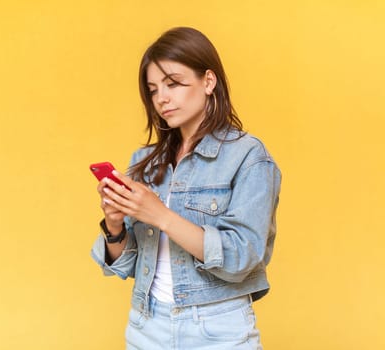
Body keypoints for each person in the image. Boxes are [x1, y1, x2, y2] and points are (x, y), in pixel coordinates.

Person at [90, 27, 281, 350]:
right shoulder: (145, 162)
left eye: (173, 83)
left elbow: (242, 256)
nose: (161, 98)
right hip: (145, 326)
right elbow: (125, 265)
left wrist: (160, 215)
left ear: (208, 81)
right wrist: (114, 224)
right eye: (153, 90)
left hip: (217, 330)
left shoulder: (248, 157)